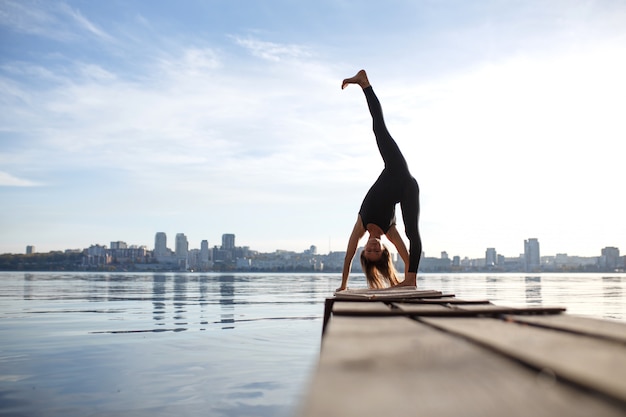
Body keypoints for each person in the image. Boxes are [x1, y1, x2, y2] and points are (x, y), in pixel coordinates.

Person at [337, 69, 422, 291]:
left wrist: (343, 285)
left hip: (395, 168)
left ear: (364, 250)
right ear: (384, 250)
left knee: (378, 128)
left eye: (369, 251)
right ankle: (411, 280)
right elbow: (407, 254)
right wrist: (407, 272)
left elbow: (347, 255)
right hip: (409, 188)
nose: (373, 248)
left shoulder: (360, 225)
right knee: (412, 233)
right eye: (377, 251)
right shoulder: (390, 230)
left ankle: (364, 83)